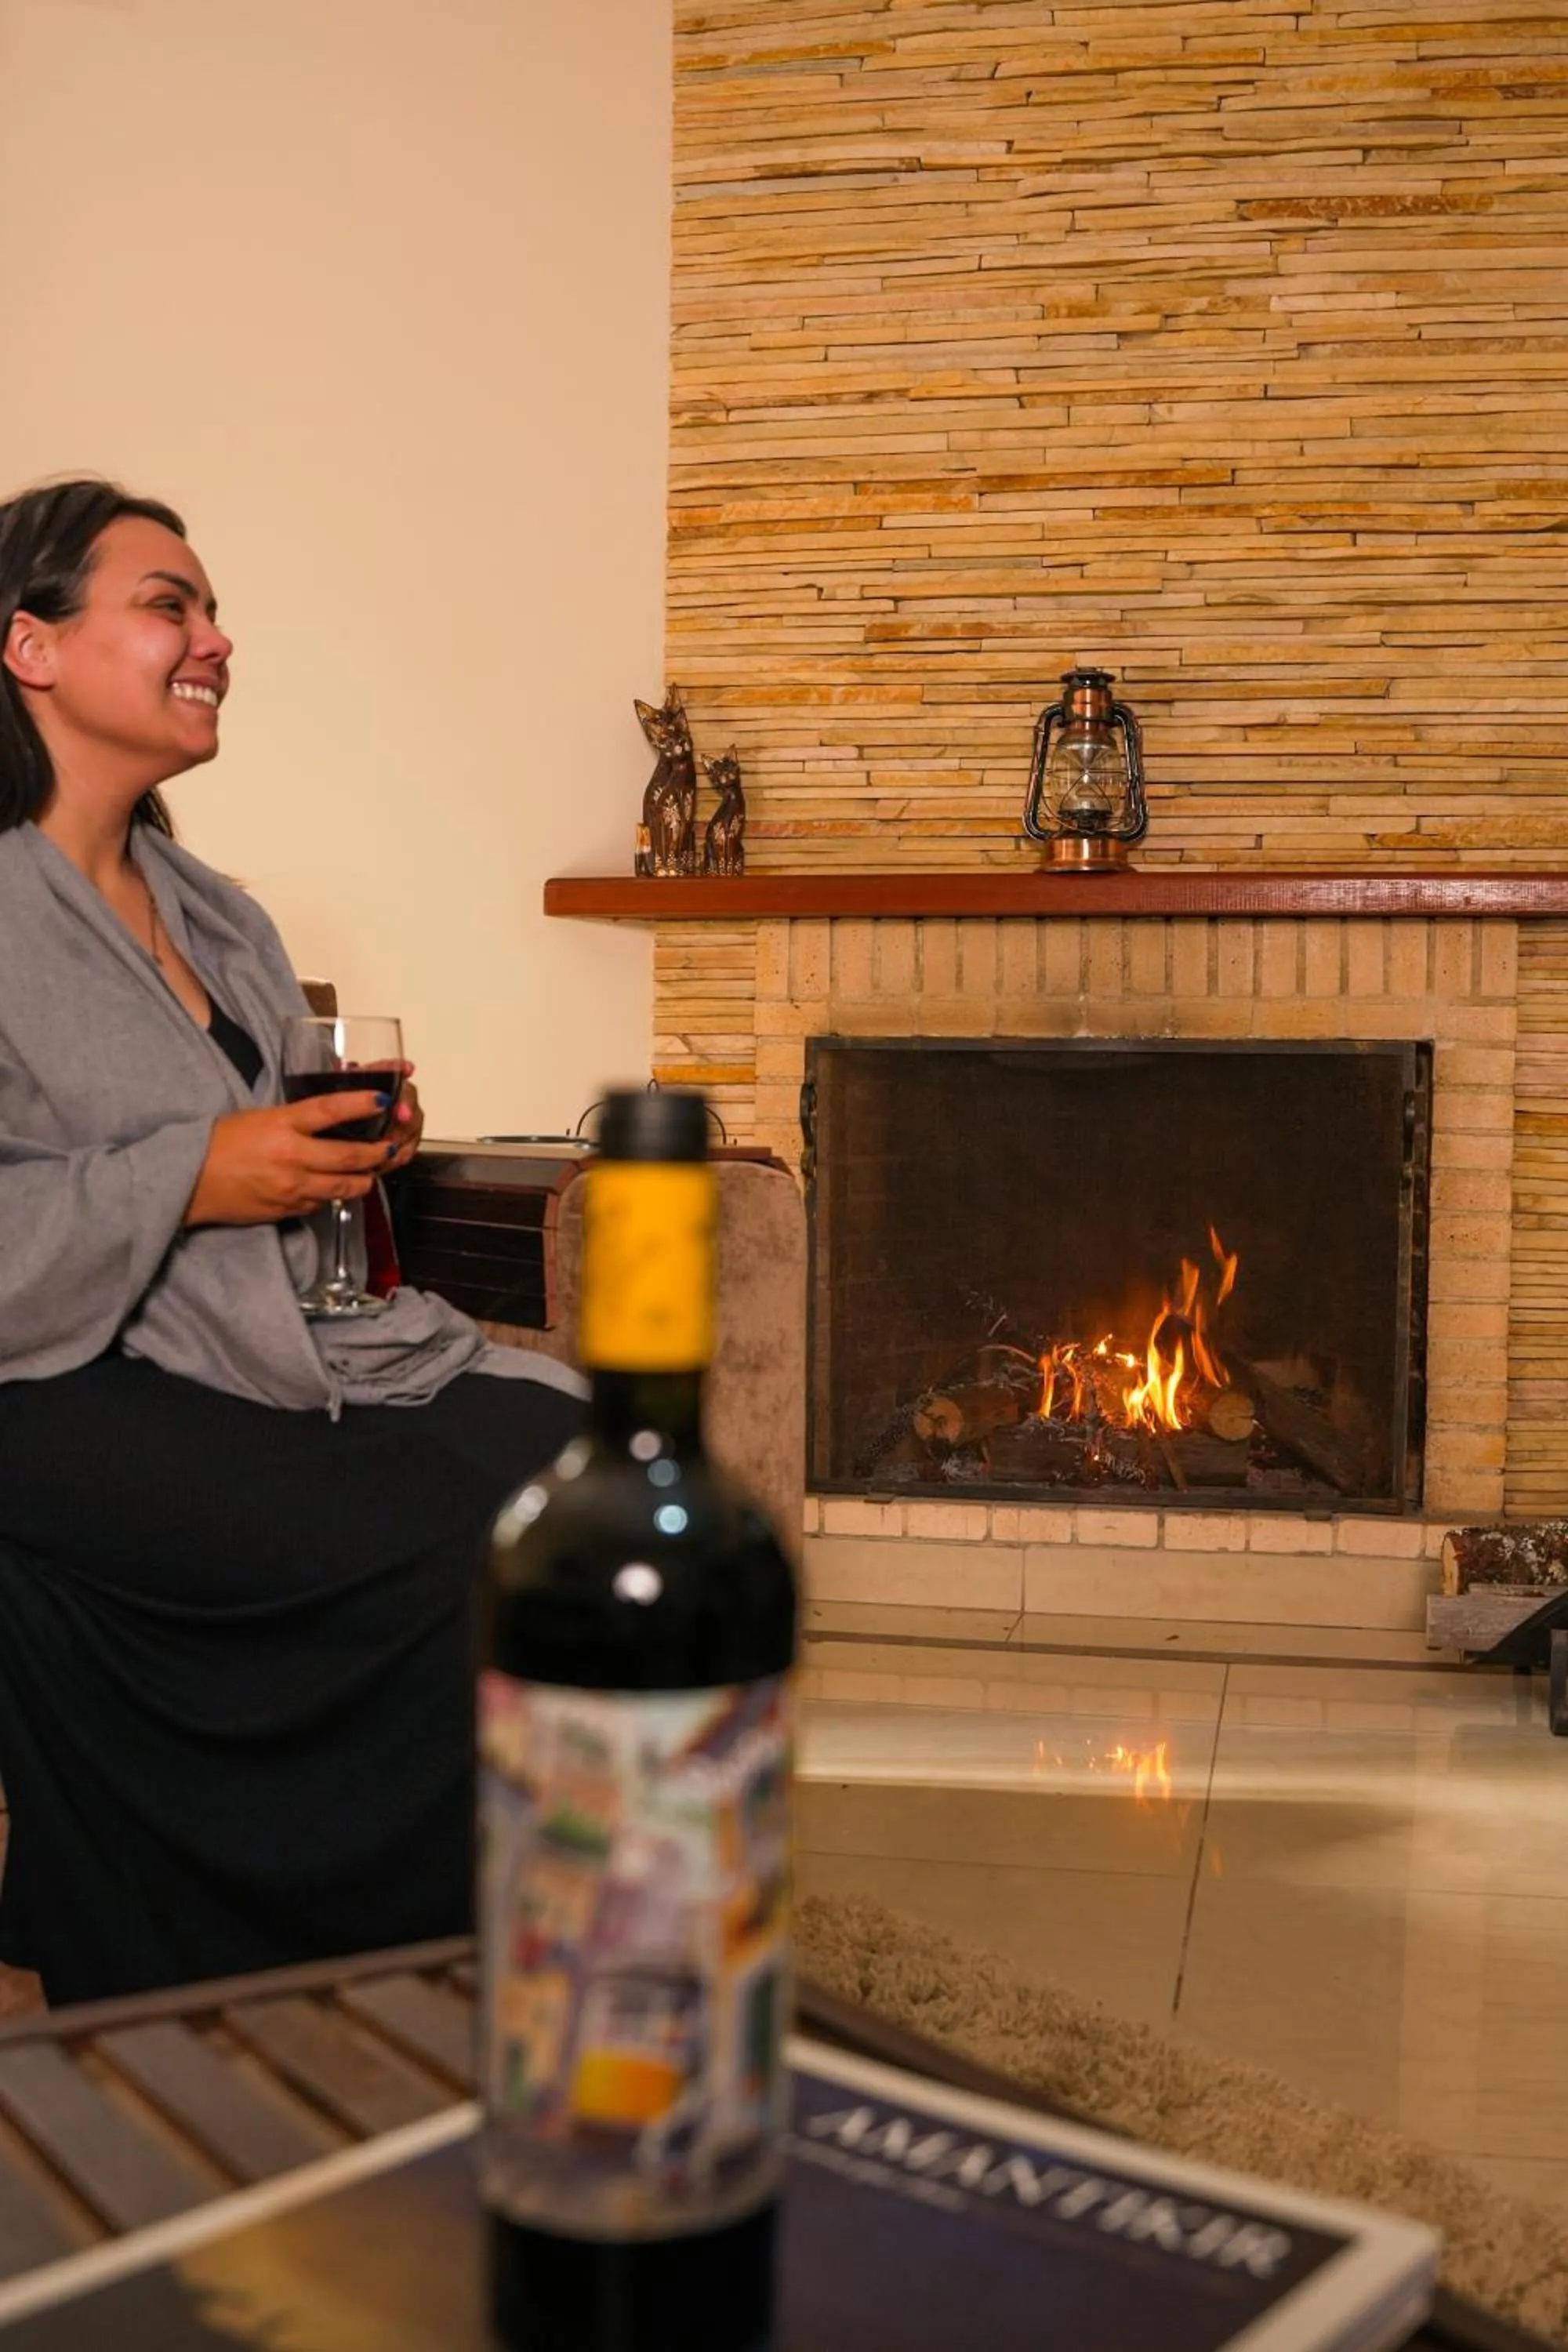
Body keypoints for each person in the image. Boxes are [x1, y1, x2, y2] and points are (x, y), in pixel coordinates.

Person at [0, 479, 586, 2004]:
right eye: (168, 604)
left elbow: (269, 1148)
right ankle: (340, 1979)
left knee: (581, 1477)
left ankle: (548, 1925)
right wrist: (196, 1175)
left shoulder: (216, 913)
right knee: (445, 1544)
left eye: (212, 609)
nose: (216, 637)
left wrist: (348, 1155)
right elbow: (179, 1172)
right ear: (29, 646)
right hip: (50, 1379)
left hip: (253, 1336)